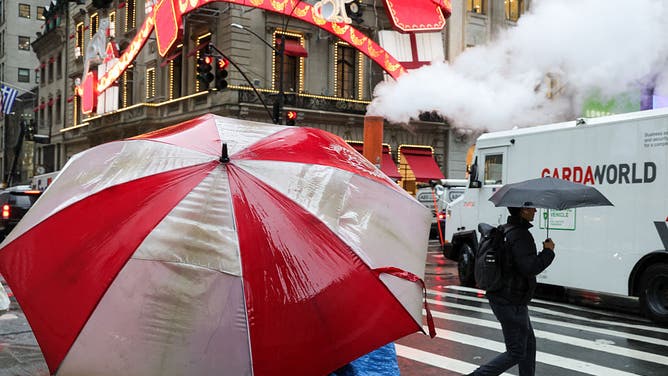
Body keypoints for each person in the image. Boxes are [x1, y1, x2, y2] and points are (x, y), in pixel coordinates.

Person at [467, 206, 555, 376]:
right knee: (516, 351)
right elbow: (530, 267)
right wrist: (548, 252)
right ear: (522, 211)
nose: (535, 211)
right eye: (531, 208)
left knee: (528, 344)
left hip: (506, 297)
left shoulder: (506, 230)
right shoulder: (521, 235)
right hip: (510, 300)